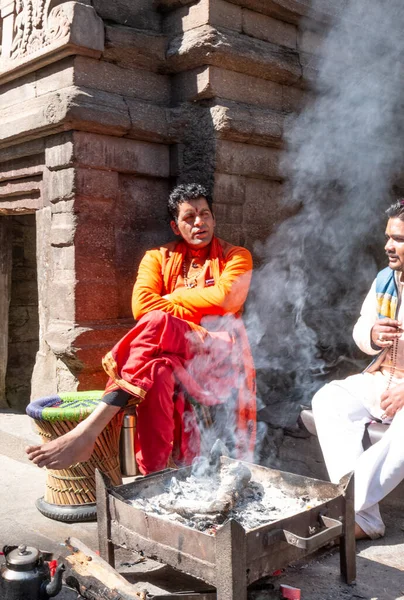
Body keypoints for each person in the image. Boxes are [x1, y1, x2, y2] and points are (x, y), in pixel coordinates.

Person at [26, 183, 256, 475]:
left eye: (205, 214)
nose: (199, 222)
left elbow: (226, 299)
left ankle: (90, 429)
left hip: (217, 353)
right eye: (189, 217)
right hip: (170, 354)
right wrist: (197, 306)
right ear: (175, 226)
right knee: (157, 371)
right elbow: (142, 307)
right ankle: (155, 475)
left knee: (159, 322)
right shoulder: (157, 257)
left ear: (213, 218)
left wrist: (173, 299)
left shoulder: (236, 256)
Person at [312, 199, 404, 540]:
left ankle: (343, 505)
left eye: (397, 239)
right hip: (382, 379)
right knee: (329, 399)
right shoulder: (385, 280)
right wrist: (372, 333)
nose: (387, 246)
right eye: (388, 236)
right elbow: (362, 326)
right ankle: (364, 518)